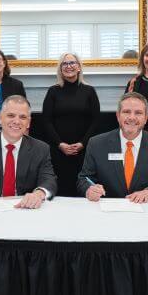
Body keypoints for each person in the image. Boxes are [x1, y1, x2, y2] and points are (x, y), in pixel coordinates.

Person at [77, 92, 148, 202]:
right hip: (108, 209)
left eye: (138, 113)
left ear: (146, 118)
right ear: (118, 116)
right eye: (126, 112)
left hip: (146, 209)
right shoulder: (96, 144)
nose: (132, 117)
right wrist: (89, 189)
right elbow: (83, 179)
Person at [40, 53, 100, 196]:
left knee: (83, 188)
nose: (69, 66)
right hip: (58, 150)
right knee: (60, 190)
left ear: (79, 67)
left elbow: (96, 121)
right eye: (65, 64)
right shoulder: (53, 91)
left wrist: (82, 143)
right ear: (60, 69)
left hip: (84, 151)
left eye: (72, 63)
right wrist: (60, 144)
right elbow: (46, 121)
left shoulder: (89, 91)